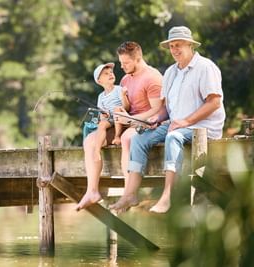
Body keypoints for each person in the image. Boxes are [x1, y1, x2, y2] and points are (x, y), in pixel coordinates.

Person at [110, 26, 226, 214]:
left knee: (173, 137)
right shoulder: (171, 72)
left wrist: (186, 121)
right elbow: (166, 108)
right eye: (171, 46)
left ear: (190, 45)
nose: (174, 49)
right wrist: (156, 119)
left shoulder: (206, 67)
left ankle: (167, 196)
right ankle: (130, 194)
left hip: (201, 127)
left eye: (178, 45)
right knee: (138, 139)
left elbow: (214, 102)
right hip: (175, 123)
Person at [76, 41, 163, 211]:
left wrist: (129, 119)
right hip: (123, 122)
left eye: (126, 63)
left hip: (144, 124)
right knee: (90, 141)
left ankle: (129, 193)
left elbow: (158, 110)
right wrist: (111, 116)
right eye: (121, 63)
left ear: (138, 58)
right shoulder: (124, 79)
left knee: (126, 138)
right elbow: (124, 106)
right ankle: (92, 191)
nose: (121, 67)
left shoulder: (152, 77)